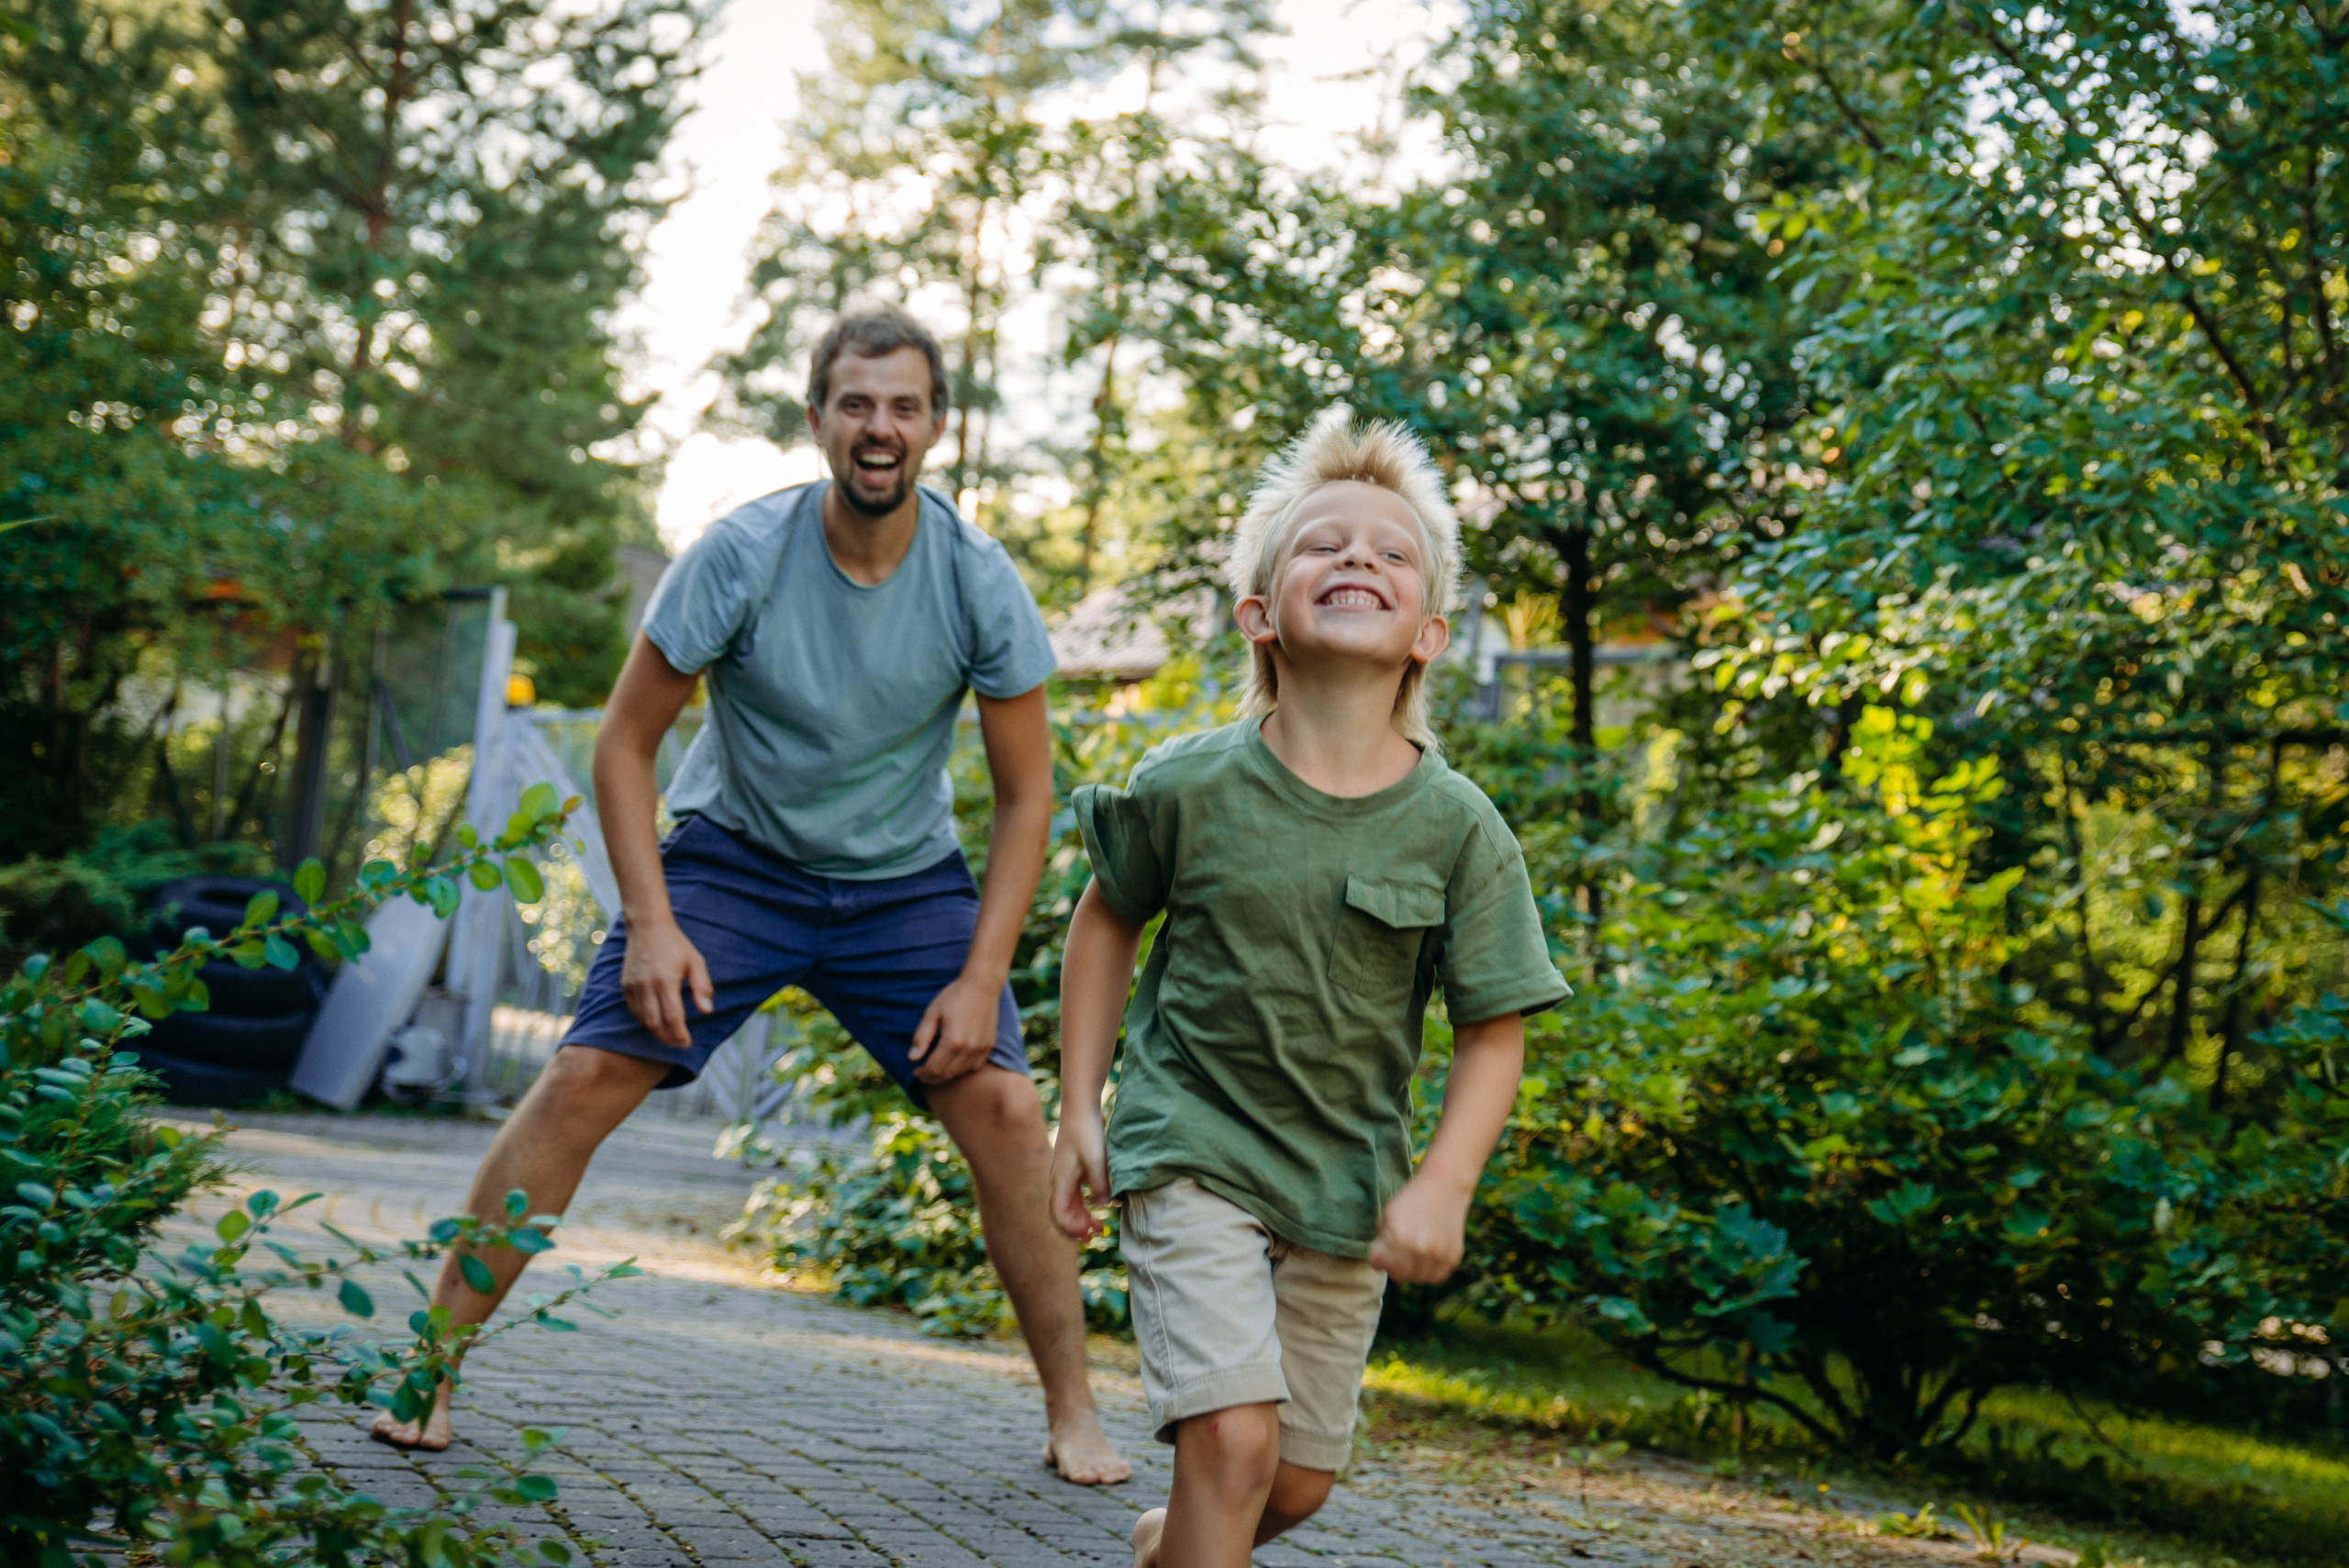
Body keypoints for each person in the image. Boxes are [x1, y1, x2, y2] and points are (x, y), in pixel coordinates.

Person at [373, 302, 1131, 1486]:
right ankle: (431, 1364)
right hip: (734, 861)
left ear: (938, 426)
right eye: (856, 403)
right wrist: (655, 925)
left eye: (903, 406)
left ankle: (1075, 1411)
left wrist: (982, 977)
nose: (879, 427)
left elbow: (1027, 797)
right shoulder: (737, 554)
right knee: (581, 1074)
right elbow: (624, 746)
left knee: (1005, 1113)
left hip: (901, 888)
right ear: (819, 418)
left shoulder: (979, 578)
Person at [1049, 417, 1567, 1565]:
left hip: (1343, 1184)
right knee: (1231, 1445)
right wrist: (1081, 1108)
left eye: (1390, 554)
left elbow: (1491, 1031)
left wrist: (1443, 1183)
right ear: (1258, 613)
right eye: (1319, 545)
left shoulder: (1460, 830)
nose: (1354, 560)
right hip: (1192, 1142)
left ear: (1428, 633)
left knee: (1290, 1484)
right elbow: (1107, 913)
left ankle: (1170, 1542)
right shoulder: (1188, 783)